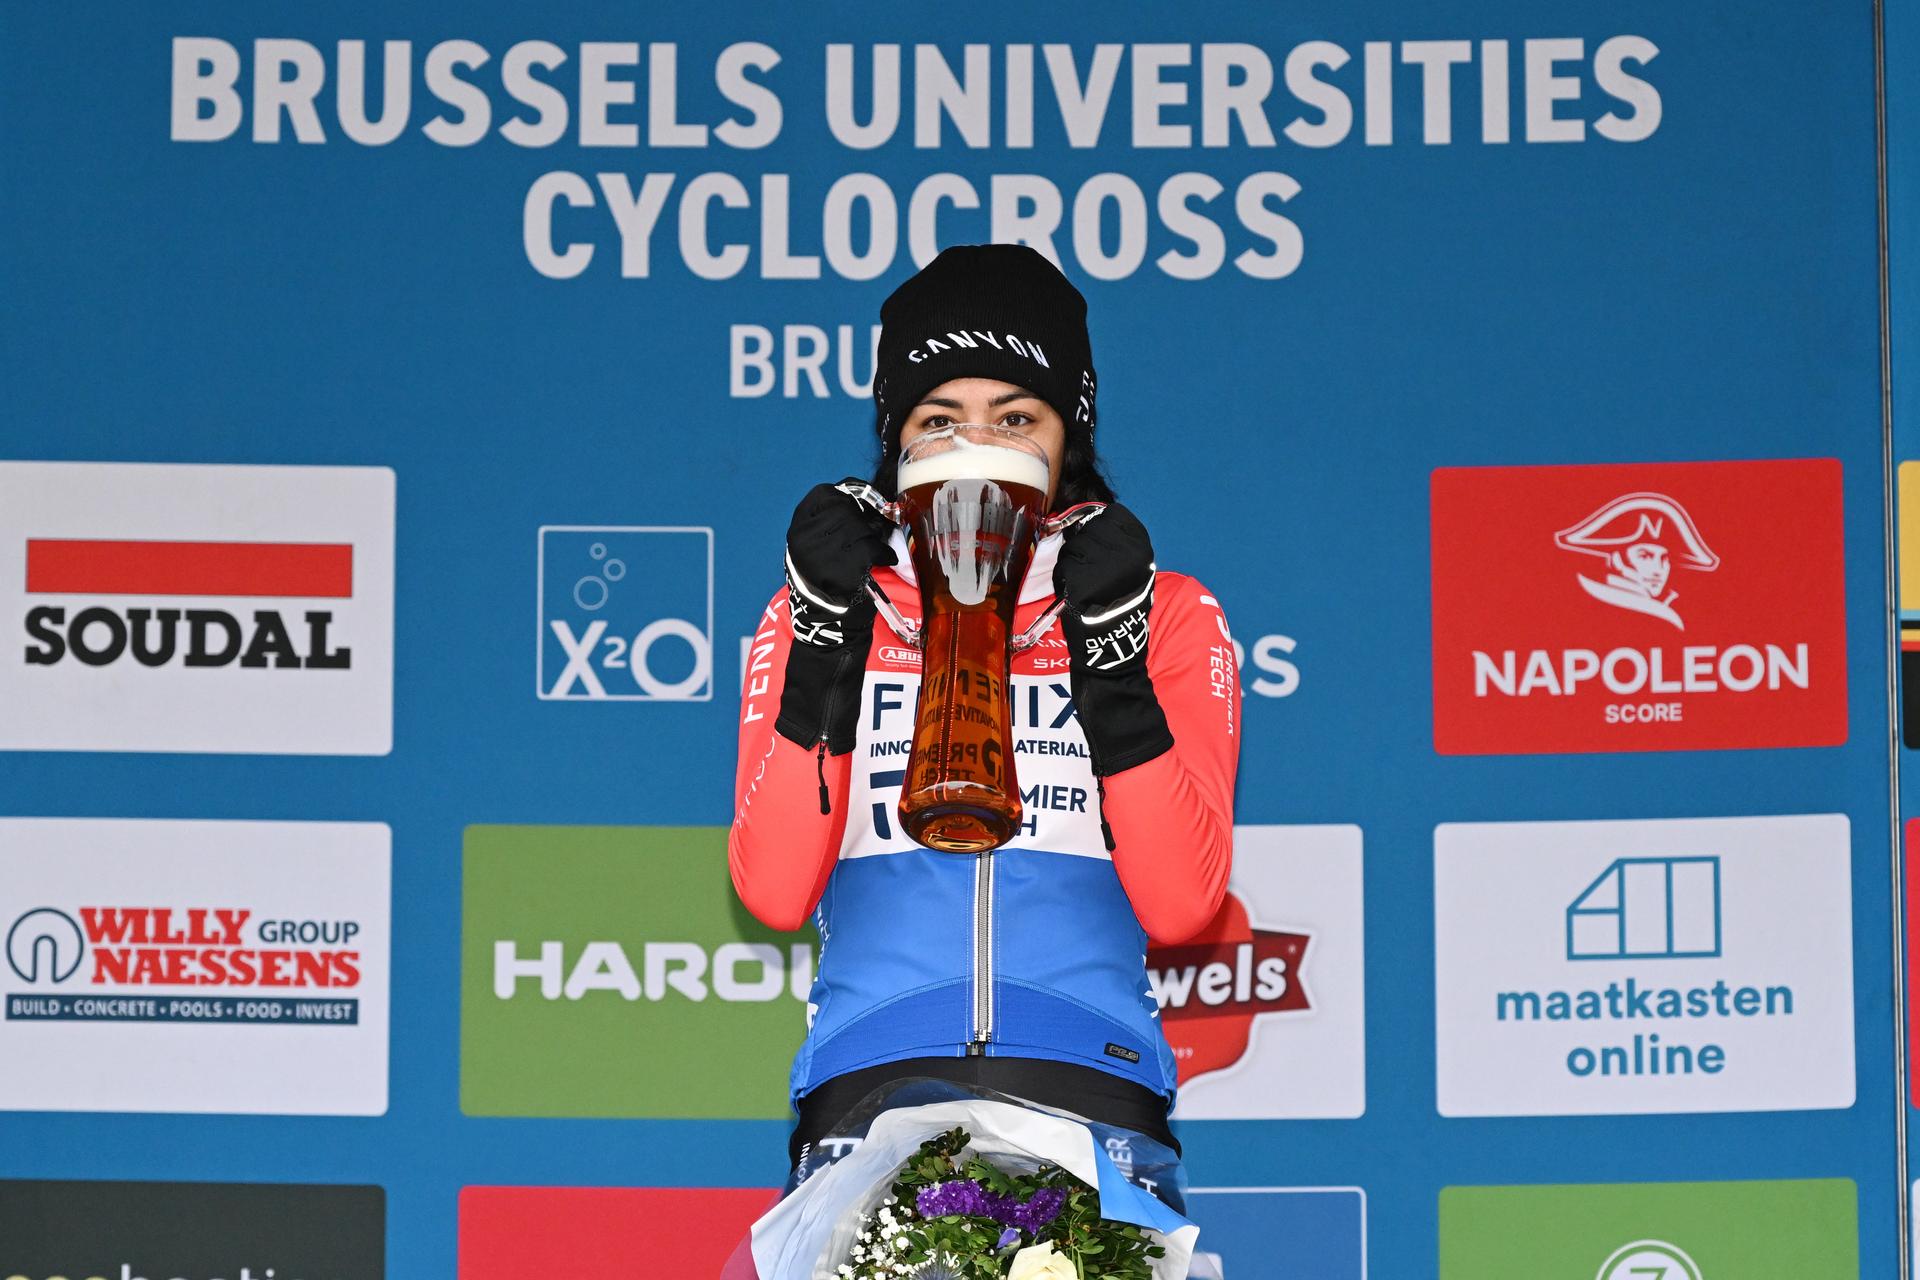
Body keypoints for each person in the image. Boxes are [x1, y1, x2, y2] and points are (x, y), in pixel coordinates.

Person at [728, 243, 1241, 1193]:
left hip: (1092, 1092)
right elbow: (773, 889)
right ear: (897, 442)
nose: (976, 447)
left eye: (1014, 416)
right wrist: (824, 638)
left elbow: (1180, 904)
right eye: (940, 419)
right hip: (868, 1096)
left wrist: (1112, 654)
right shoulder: (830, 606)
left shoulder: (1165, 608)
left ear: (1067, 434)